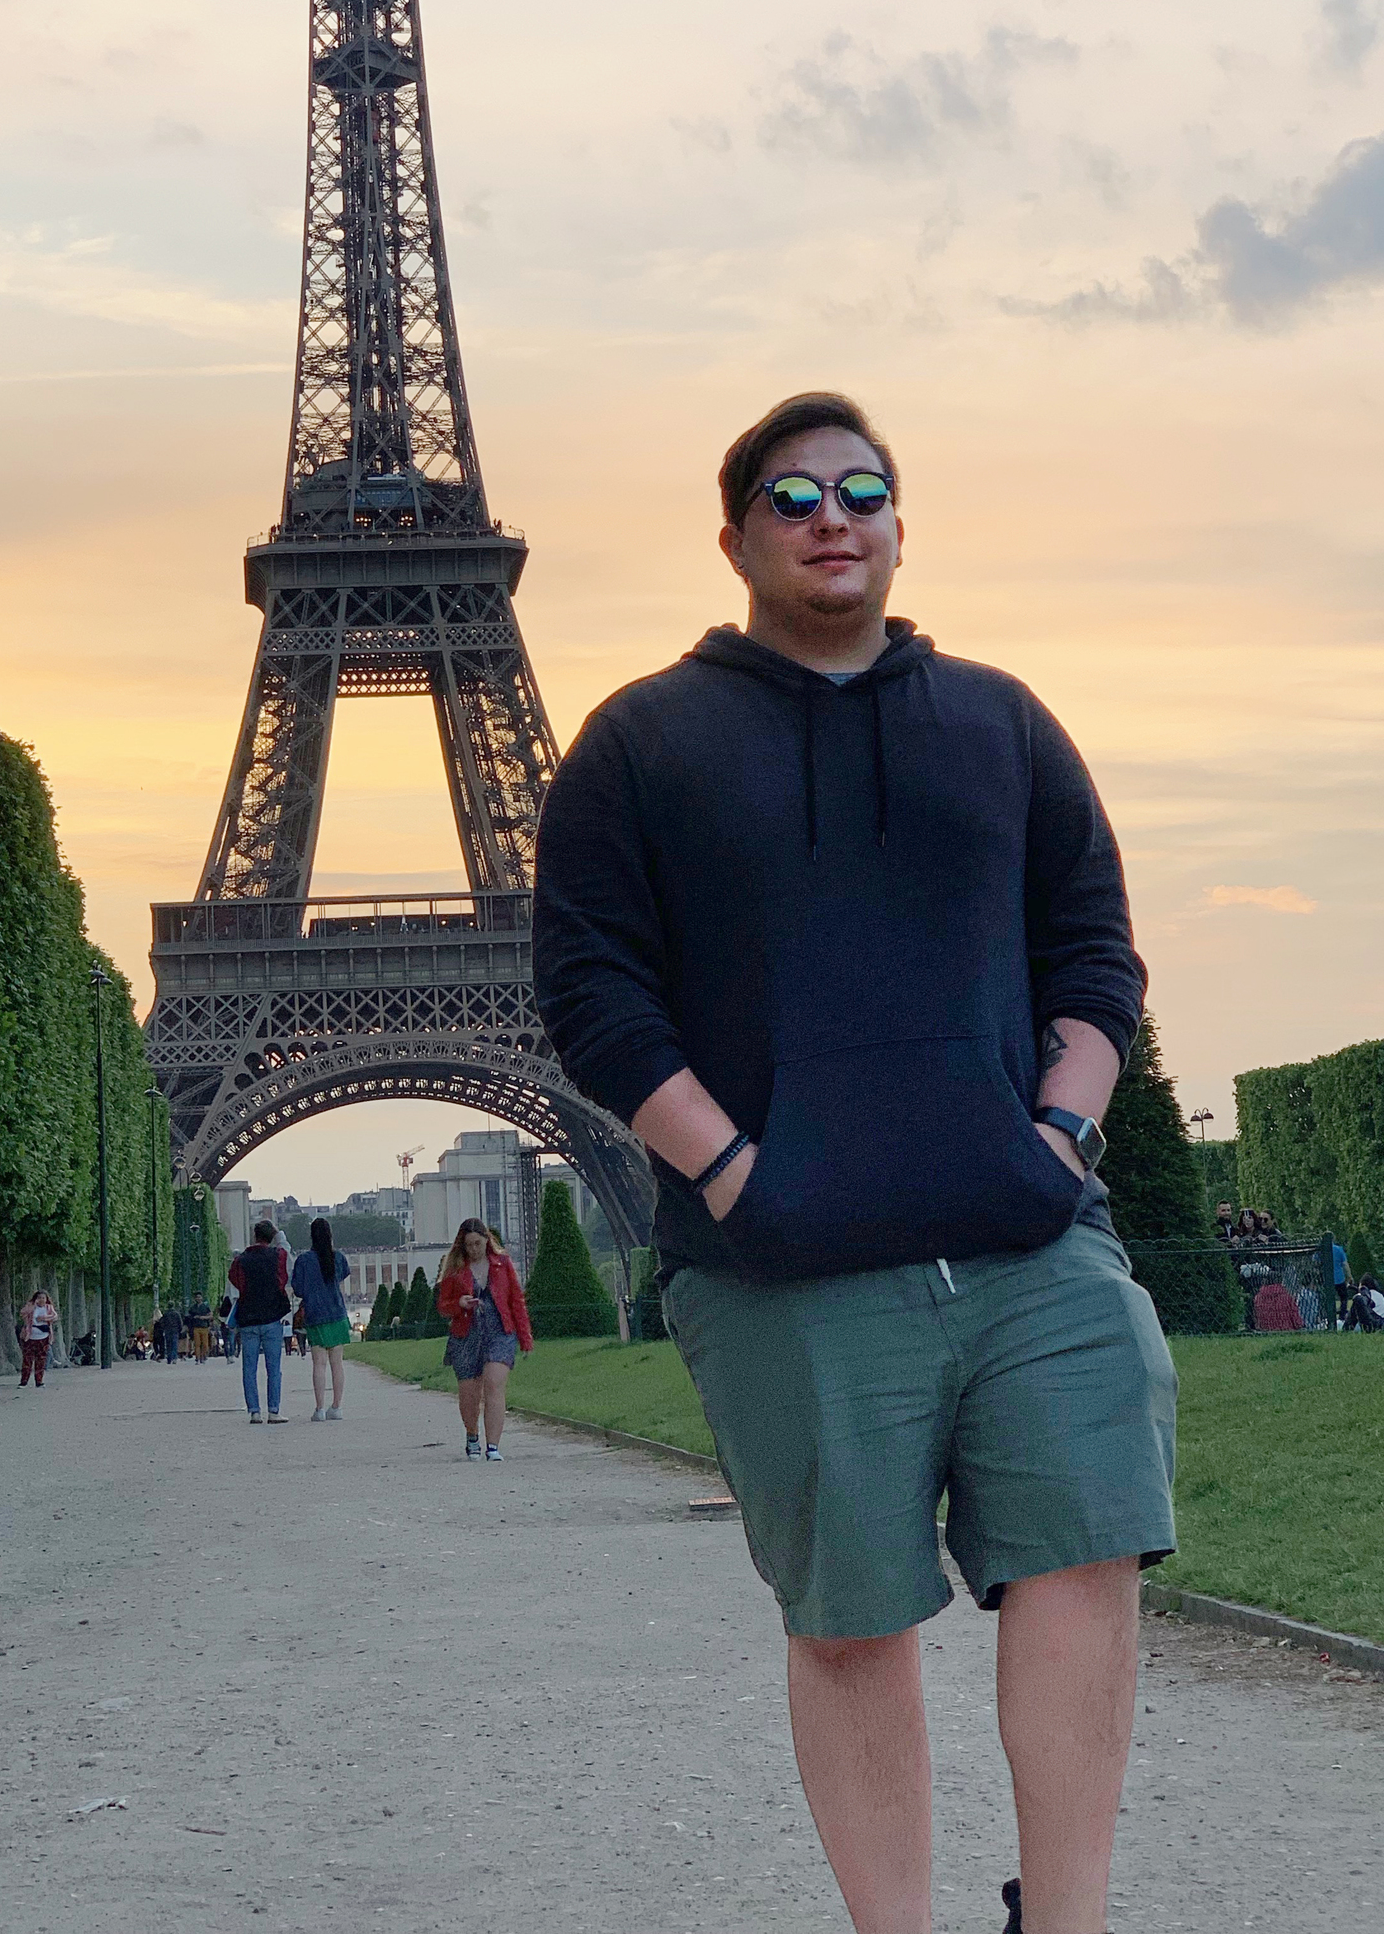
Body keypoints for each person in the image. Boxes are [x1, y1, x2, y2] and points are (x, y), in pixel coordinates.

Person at [532, 390, 1173, 1934]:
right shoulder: (641, 742)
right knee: (852, 1622)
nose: (835, 515)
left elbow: (1095, 953)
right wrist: (740, 1175)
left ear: (898, 525)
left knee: (1090, 1551)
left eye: (865, 490)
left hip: (1030, 1243)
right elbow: (593, 991)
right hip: (788, 1266)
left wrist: (1059, 1138)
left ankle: (1066, 1923)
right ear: (737, 534)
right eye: (795, 493)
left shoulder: (1005, 721)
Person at [435, 1218, 534, 1460]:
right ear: (462, 1245)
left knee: (493, 1384)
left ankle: (493, 1446)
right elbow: (442, 1306)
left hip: (499, 1331)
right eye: (469, 1245)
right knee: (469, 1393)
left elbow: (516, 1301)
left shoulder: (502, 1264)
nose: (474, 1250)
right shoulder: (454, 1268)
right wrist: (458, 1304)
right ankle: (472, 1435)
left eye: (478, 1243)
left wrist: (525, 1337)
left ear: (486, 1241)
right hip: (467, 1333)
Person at [228, 1220, 291, 1423]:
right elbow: (287, 1262)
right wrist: (279, 1235)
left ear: (254, 1236)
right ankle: (274, 1410)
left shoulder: (241, 1260)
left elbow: (235, 1280)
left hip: (248, 1318)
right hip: (272, 1316)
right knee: (274, 1368)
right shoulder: (277, 1256)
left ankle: (254, 1411)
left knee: (249, 1368)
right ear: (271, 1237)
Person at [291, 1218, 353, 1420]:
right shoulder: (339, 1258)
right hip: (336, 1312)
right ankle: (336, 1407)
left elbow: (298, 1290)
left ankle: (319, 1409)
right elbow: (342, 1275)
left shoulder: (303, 1260)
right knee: (337, 1363)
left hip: (315, 1314)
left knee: (319, 1364)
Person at [18, 1288, 57, 1389]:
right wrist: (32, 1306)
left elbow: (54, 1316)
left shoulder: (48, 1308)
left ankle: (39, 1381)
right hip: (30, 1336)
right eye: (39, 1298)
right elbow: (22, 1313)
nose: (41, 1300)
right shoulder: (31, 1307)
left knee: (41, 1360)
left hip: (43, 1336)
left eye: (43, 1298)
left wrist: (44, 1318)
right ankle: (24, 1381)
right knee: (27, 1359)